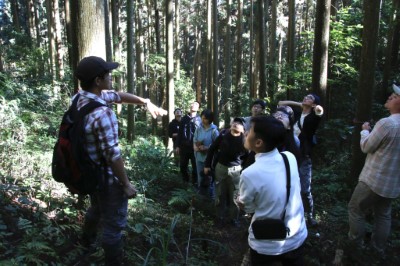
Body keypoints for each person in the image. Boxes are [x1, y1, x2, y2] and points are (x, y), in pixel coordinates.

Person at [74, 56, 167, 265]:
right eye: (107, 74)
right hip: (107, 178)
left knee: (96, 208)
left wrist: (145, 102)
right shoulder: (102, 113)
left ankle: (85, 243)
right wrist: (125, 184)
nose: (111, 76)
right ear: (98, 80)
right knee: (113, 227)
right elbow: (112, 154)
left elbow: (116, 96)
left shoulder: (80, 99)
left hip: (89, 173)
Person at [236, 116, 307, 265]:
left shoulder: (249, 174)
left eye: (249, 132)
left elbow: (249, 208)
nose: (245, 133)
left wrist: (239, 203)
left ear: (258, 143)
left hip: (266, 245)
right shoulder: (289, 158)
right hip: (296, 236)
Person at [347, 84, 400, 256]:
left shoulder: (387, 123)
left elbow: (366, 147)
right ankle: (378, 250)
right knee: (383, 215)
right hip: (392, 183)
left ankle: (356, 248)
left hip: (373, 179)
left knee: (356, 209)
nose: (390, 97)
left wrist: (365, 131)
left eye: (394, 96)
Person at [278, 93, 324, 226]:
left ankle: (309, 215)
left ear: (314, 103)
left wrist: (313, 107)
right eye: (305, 96)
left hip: (303, 155)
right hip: (288, 153)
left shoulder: (314, 116)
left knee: (304, 189)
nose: (306, 98)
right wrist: (301, 104)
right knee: (287, 185)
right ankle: (289, 213)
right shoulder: (296, 113)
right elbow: (281, 104)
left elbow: (320, 110)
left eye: (310, 98)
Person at [204, 117, 247, 226]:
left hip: (236, 171)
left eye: (239, 123)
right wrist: (207, 165)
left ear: (243, 129)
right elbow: (212, 149)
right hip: (221, 168)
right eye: (235, 122)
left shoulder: (245, 140)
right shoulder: (223, 134)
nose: (236, 124)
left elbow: (248, 156)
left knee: (235, 196)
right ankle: (219, 217)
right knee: (219, 194)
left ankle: (234, 219)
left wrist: (245, 171)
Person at [193, 109, 219, 197]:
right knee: (200, 177)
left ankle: (211, 197)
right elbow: (194, 140)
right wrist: (196, 147)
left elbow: (218, 145)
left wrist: (207, 148)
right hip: (199, 157)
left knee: (209, 178)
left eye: (205, 118)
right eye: (202, 118)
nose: (203, 120)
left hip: (209, 159)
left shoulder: (214, 131)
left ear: (210, 119)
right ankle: (202, 196)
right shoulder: (198, 129)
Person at [176, 101, 201, 185]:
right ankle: (185, 181)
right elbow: (179, 133)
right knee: (183, 166)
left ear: (198, 108)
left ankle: (195, 183)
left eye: (195, 105)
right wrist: (177, 146)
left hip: (194, 147)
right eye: (192, 104)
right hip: (184, 147)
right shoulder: (184, 119)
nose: (193, 106)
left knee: (195, 167)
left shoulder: (200, 119)